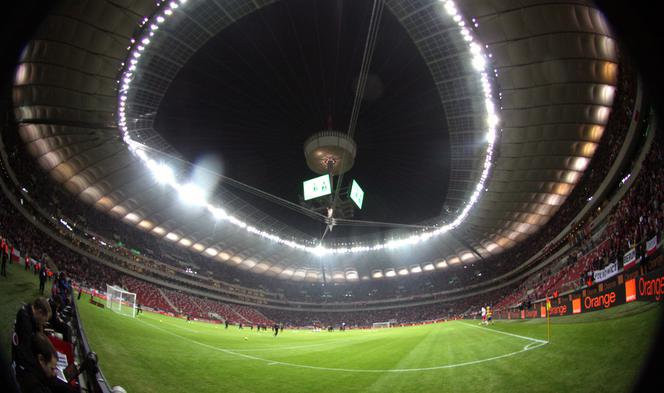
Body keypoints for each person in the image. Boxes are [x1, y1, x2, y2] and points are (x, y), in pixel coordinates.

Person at [13, 297, 52, 373]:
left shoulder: (27, 313)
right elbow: (25, 354)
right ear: (39, 312)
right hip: (20, 366)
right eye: (45, 320)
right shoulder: (25, 322)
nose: (44, 323)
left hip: (21, 357)